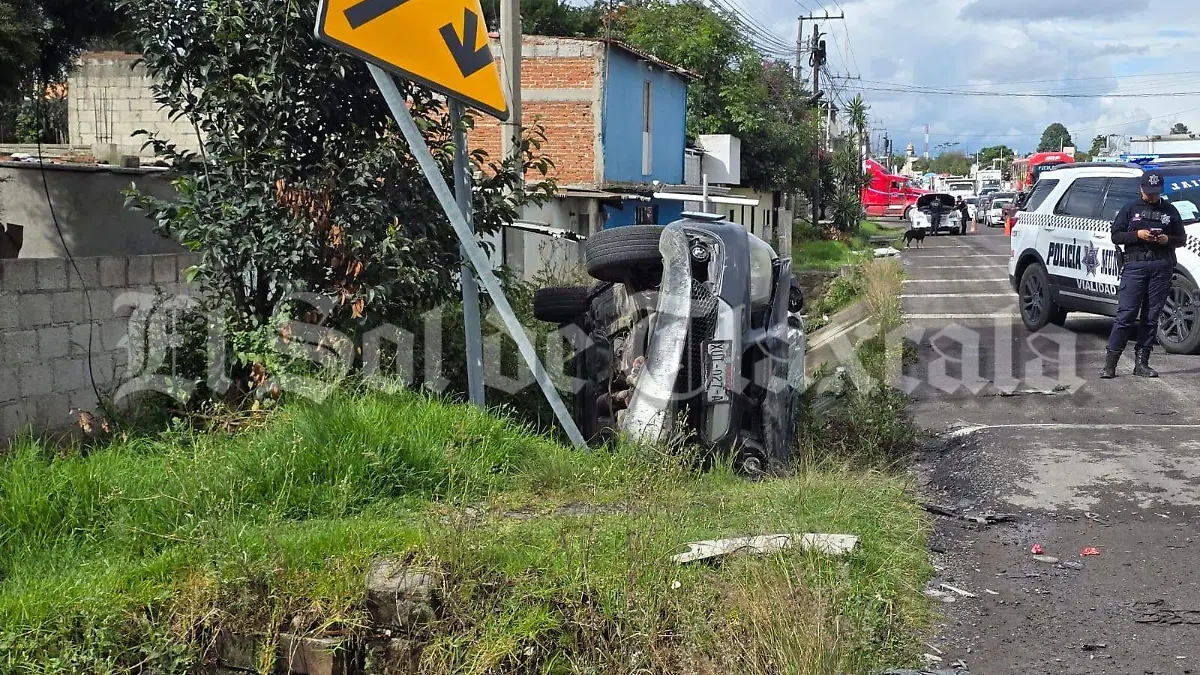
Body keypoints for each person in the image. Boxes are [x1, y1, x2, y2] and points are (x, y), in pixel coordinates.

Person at [1102, 171, 1187, 379]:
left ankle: (1142, 363)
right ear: (1141, 189)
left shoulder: (1170, 210)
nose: (1152, 196)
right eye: (1148, 192)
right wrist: (1137, 235)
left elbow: (1181, 239)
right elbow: (1115, 236)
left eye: (1156, 192)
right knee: (1126, 314)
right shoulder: (1130, 208)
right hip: (1135, 266)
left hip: (1161, 265)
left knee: (1151, 317)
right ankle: (1110, 364)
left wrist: (1166, 239)